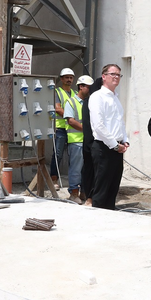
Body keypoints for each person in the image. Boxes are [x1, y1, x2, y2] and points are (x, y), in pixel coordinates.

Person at [89, 64, 129, 210]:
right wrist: (114, 144)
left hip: (117, 147)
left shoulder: (115, 98)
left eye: (118, 75)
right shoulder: (97, 97)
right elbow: (98, 125)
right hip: (103, 147)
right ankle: (98, 216)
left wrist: (125, 140)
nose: (116, 77)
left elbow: (120, 122)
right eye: (113, 74)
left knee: (113, 187)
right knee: (102, 188)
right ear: (104, 76)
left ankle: (110, 213)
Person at [64, 74, 94, 204]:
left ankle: (84, 192)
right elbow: (71, 121)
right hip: (76, 140)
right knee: (76, 169)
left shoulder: (90, 102)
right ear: (81, 87)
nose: (90, 90)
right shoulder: (71, 102)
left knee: (86, 169)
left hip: (87, 141)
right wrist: (87, 130)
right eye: (88, 87)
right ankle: (74, 193)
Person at [50, 68, 76, 188]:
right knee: (58, 154)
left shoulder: (75, 93)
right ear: (61, 79)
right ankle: (53, 179)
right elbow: (58, 108)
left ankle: (74, 181)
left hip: (73, 128)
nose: (69, 80)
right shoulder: (57, 92)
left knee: (74, 155)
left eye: (71, 77)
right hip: (60, 128)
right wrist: (71, 117)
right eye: (66, 77)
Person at [81, 76, 103, 207]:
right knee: (92, 171)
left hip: (94, 143)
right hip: (93, 143)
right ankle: (90, 198)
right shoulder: (92, 101)